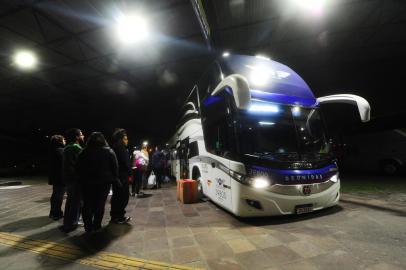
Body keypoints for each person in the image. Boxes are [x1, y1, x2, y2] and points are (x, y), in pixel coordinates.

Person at [76, 132, 120, 233]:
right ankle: (97, 224)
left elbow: (78, 167)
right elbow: (115, 167)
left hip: (86, 183)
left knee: (87, 204)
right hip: (103, 183)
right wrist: (114, 179)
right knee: (100, 204)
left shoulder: (84, 152)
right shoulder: (109, 151)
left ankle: (88, 227)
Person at [60, 128, 84, 233]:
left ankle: (68, 222)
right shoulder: (76, 148)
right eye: (81, 134)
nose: (83, 136)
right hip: (76, 179)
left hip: (68, 178)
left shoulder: (67, 147)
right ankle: (72, 223)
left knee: (71, 201)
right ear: (76, 137)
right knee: (75, 201)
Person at [110, 129, 131, 224]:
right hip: (122, 177)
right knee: (123, 196)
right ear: (121, 139)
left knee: (117, 196)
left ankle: (116, 216)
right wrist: (130, 172)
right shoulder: (121, 149)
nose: (127, 141)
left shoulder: (114, 148)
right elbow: (126, 163)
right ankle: (118, 217)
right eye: (125, 139)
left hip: (117, 176)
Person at [48, 134, 66, 220]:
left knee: (55, 195)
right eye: (63, 139)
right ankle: (57, 213)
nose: (65, 141)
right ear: (60, 141)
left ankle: (53, 212)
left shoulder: (53, 150)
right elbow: (62, 167)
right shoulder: (61, 151)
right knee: (59, 196)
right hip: (60, 178)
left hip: (55, 177)